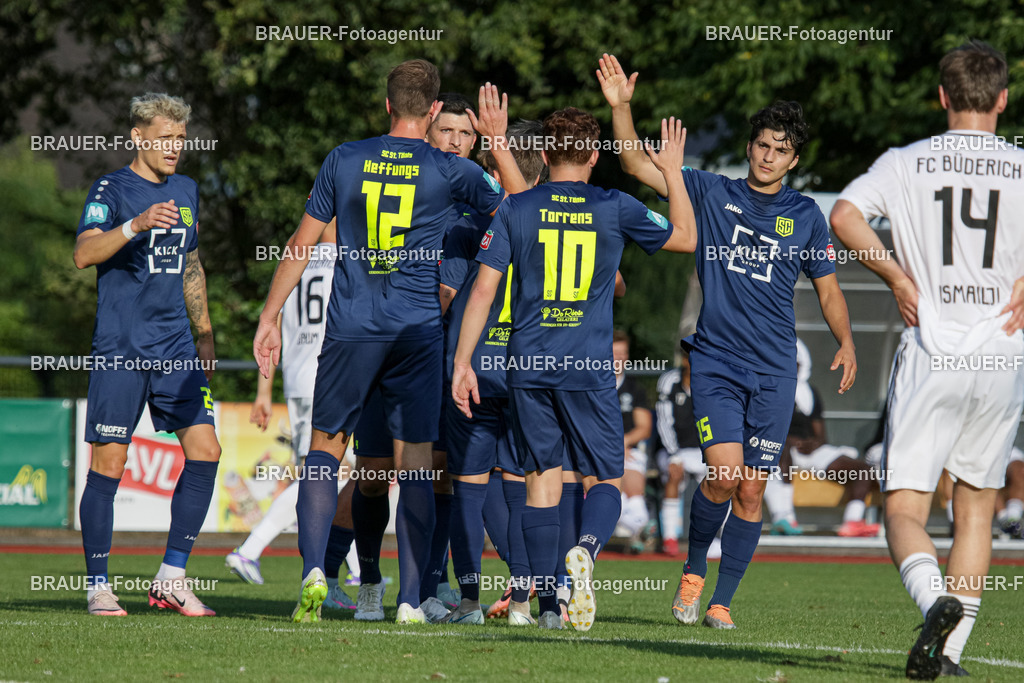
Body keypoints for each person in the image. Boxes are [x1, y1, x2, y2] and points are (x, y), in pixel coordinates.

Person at [253, 60, 522, 625]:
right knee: (415, 466)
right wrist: (495, 143)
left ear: (385, 107)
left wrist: (270, 315)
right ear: (430, 113)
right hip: (417, 332)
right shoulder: (449, 169)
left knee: (327, 452)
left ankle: (313, 573)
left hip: (351, 328)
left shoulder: (343, 158)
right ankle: (408, 601)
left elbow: (301, 243)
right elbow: (521, 211)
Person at [598, 53, 856, 631]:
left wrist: (846, 341)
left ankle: (722, 601)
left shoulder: (806, 216)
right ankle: (692, 573)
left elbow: (830, 290)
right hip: (715, 363)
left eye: (780, 149)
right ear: (750, 147)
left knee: (751, 491)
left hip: (774, 372)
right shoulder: (711, 192)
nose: (768, 156)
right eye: (762, 144)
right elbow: (638, 164)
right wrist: (621, 107)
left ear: (795, 158)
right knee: (722, 475)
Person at [452, 107, 694, 631]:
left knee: (540, 482)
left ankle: (543, 610)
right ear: (592, 154)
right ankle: (582, 552)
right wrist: (672, 172)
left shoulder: (515, 207)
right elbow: (685, 237)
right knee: (604, 477)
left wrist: (463, 362)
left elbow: (484, 290)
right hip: (587, 365)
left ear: (542, 154)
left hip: (527, 365)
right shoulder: (615, 205)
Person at [830, 39, 1024, 679]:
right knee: (976, 507)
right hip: (1001, 352)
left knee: (905, 508)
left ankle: (930, 599)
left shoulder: (906, 162)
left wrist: (895, 278)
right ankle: (951, 654)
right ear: (1002, 98)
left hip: (933, 350)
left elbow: (844, 213)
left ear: (942, 97)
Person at [74, 93, 221, 617]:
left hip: (176, 346)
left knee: (206, 451)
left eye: (181, 139)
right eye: (165, 138)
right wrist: (135, 225)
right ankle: (97, 586)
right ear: (139, 137)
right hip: (121, 348)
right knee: (109, 465)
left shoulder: (187, 190)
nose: (175, 148)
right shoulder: (110, 188)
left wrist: (203, 330)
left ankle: (171, 577)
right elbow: (83, 253)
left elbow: (191, 261)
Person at [440, 120, 546, 625]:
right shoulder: (553, 221)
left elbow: (450, 297)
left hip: (476, 366)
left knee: (468, 484)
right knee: (520, 483)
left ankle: (468, 601)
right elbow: (613, 285)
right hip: (528, 369)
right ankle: (530, 597)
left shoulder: (466, 224)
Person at [227, 221, 360, 609]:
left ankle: (342, 567)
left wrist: (264, 390)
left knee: (333, 472)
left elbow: (275, 323)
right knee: (328, 473)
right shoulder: (346, 257)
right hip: (329, 373)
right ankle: (252, 550)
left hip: (300, 376)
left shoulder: (296, 258)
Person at [762, 338, 881, 537]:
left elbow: (820, 434)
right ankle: (783, 517)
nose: (793, 367)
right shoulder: (770, 390)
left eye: (796, 362)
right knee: (780, 448)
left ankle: (852, 522)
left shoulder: (810, 393)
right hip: (780, 451)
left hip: (809, 451)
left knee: (862, 470)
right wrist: (791, 441)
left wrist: (813, 443)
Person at [654, 352, 705, 557]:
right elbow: (663, 422)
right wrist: (674, 455)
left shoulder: (713, 383)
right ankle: (670, 537)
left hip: (703, 451)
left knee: (722, 479)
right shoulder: (669, 381)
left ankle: (715, 536)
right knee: (675, 474)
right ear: (685, 360)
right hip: (671, 449)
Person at [612, 330, 654, 551]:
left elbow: (644, 427)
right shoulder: (593, 384)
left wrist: (622, 443)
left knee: (632, 482)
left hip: (628, 449)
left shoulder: (635, 388)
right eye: (615, 353)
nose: (619, 358)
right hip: (598, 449)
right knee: (611, 484)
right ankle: (641, 525)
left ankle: (636, 527)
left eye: (623, 353)